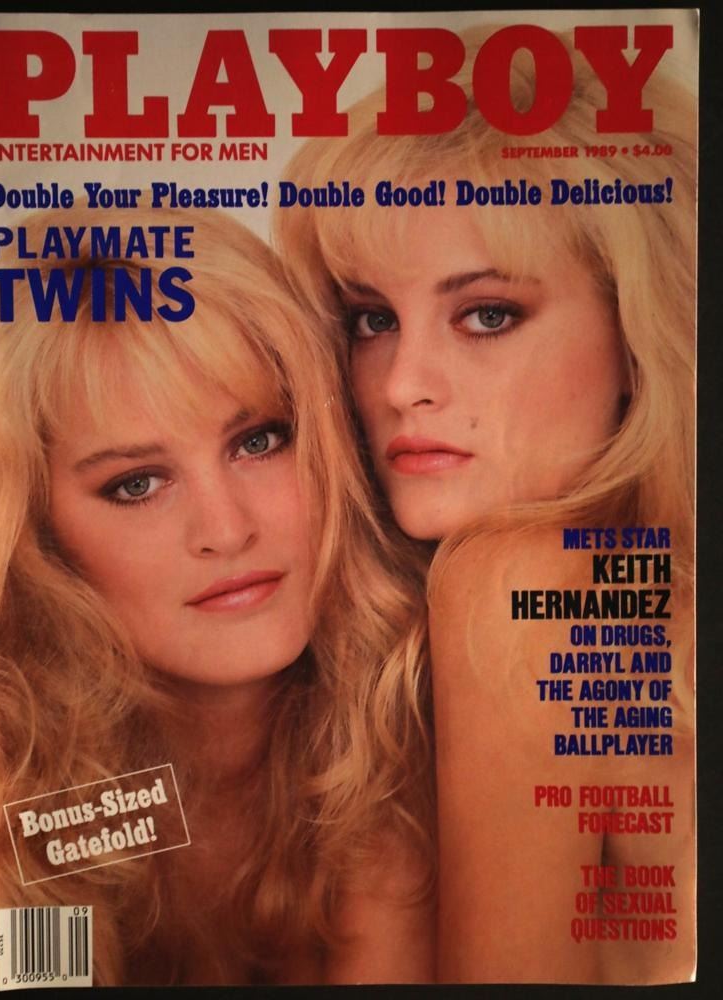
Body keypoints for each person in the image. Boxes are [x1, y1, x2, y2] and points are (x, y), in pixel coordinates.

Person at [275, 27, 695, 984]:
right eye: (371, 320)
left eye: (488, 314)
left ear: (638, 333)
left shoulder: (517, 585)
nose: (401, 385)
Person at [0, 207, 435, 988]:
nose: (226, 530)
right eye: (136, 484)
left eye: (259, 441)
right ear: (37, 537)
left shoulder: (396, 703)